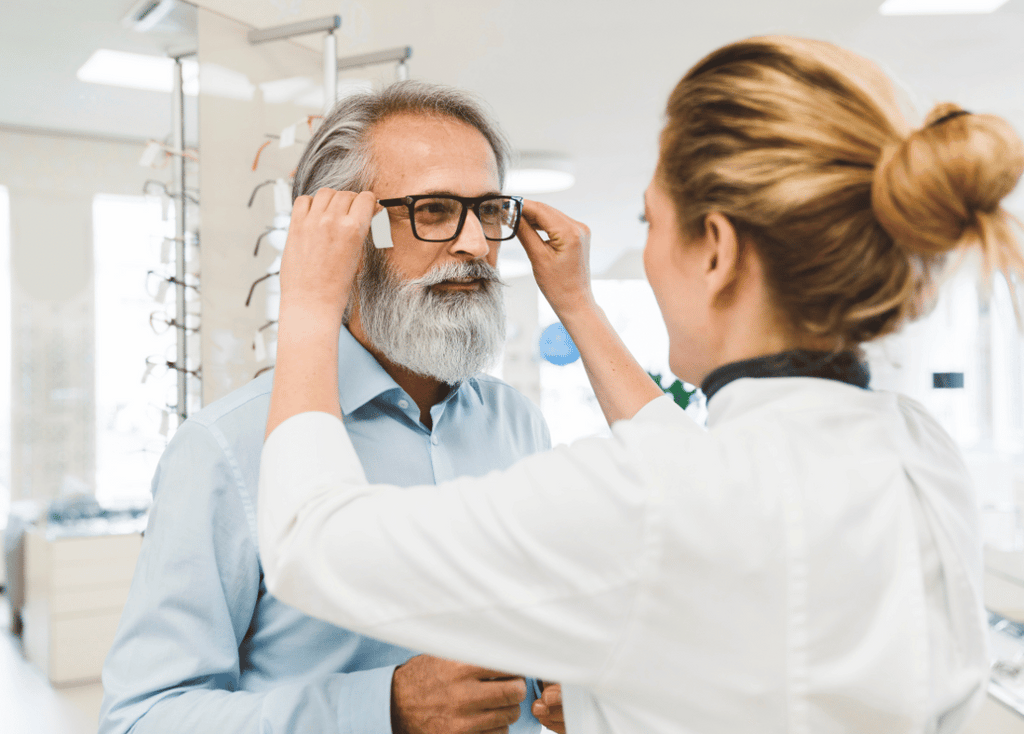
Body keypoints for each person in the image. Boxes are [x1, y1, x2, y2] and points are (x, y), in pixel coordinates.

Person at [256, 36, 1024, 734]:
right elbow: (697, 485)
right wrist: (580, 307)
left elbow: (306, 543)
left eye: (650, 224)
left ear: (716, 250)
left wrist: (307, 305)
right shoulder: (918, 449)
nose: (469, 239)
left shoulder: (649, 497)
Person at [99, 81, 559, 734]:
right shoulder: (226, 448)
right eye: (432, 210)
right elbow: (141, 718)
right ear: (340, 231)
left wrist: (566, 680)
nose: (476, 246)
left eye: (487, 210)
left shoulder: (516, 422)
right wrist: (382, 709)